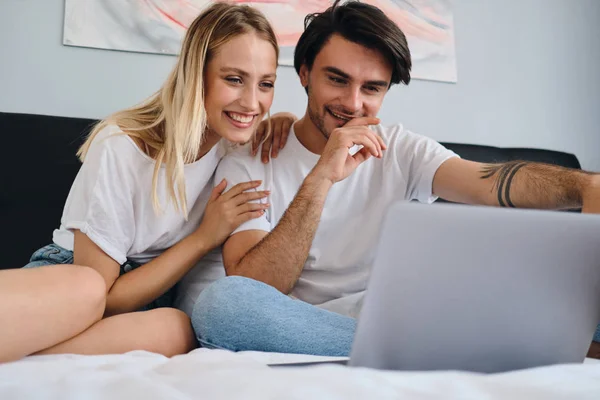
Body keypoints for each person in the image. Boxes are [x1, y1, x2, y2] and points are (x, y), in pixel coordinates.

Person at [182, 0, 600, 356]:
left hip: (400, 313)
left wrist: (585, 186)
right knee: (224, 304)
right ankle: (434, 348)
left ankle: (435, 343)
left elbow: (490, 182)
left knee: (568, 294)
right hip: (303, 326)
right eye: (337, 79)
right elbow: (256, 285)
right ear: (305, 72)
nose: (352, 103)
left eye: (373, 88)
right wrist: (321, 177)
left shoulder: (399, 147)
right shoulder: (252, 158)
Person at [2, 2, 284, 363]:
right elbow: (105, 295)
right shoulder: (121, 145)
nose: (252, 101)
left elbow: (285, 128)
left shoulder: (238, 149)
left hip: (147, 299)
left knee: (177, 329)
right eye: (234, 79)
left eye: (266, 84)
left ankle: (25, 352)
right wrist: (203, 238)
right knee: (86, 287)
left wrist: (284, 122)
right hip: (76, 285)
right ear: (196, 75)